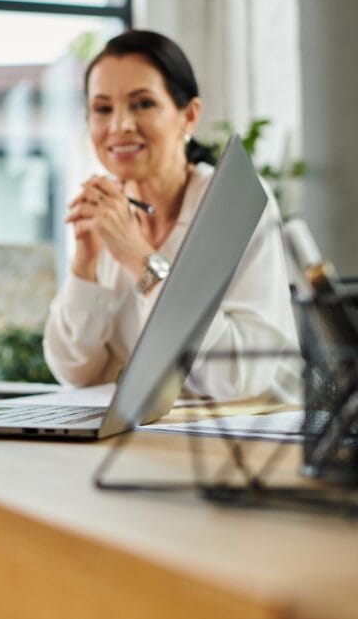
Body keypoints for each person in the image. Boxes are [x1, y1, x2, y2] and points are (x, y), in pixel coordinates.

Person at [43, 29, 299, 401]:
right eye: (102, 108)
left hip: (257, 441)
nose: (119, 126)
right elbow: (75, 372)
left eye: (142, 103)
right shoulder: (108, 213)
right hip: (156, 440)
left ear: (189, 116)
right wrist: (85, 260)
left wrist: (140, 260)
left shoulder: (234, 204)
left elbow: (234, 378)